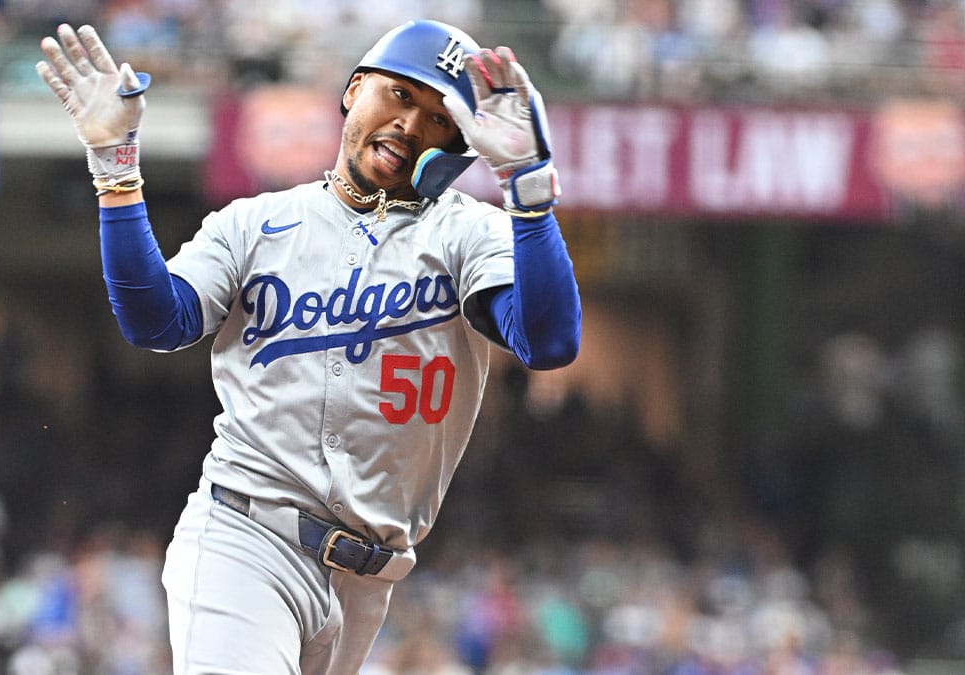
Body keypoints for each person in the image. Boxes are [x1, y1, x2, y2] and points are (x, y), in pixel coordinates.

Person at [36, 18, 582, 673]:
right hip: (247, 536)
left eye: (440, 119)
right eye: (401, 96)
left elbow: (548, 340)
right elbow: (157, 320)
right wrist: (115, 169)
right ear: (354, 91)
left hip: (371, 578)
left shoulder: (473, 234)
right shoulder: (256, 224)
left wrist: (528, 191)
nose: (412, 124)